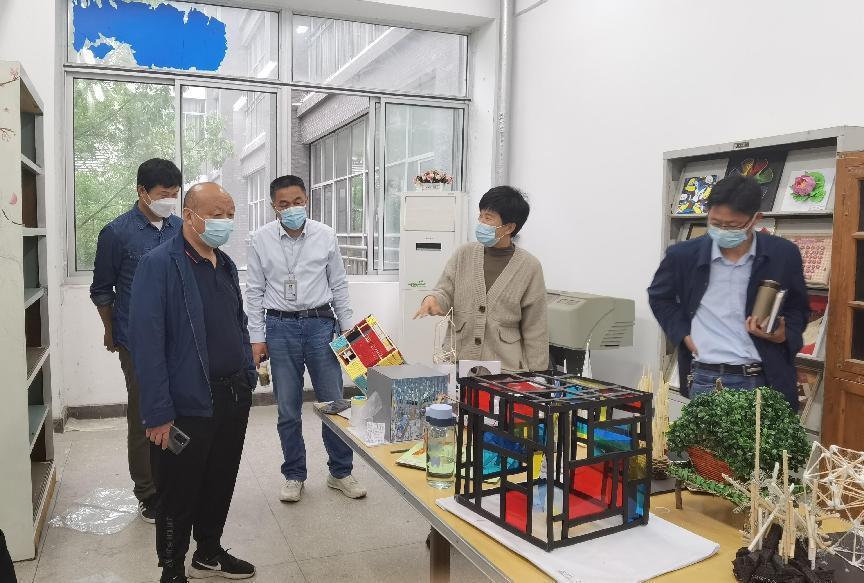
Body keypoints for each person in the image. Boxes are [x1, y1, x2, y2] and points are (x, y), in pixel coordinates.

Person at [129, 183, 257, 582]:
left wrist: (248, 375)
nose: (226, 222)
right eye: (217, 214)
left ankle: (209, 551)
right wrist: (157, 414)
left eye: (230, 215)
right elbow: (146, 346)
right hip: (187, 402)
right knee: (178, 489)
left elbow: (237, 323)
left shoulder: (225, 263)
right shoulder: (159, 265)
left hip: (232, 395)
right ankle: (172, 566)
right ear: (189, 215)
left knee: (220, 480)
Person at [246, 175, 365, 504]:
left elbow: (338, 285)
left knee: (334, 403)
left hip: (320, 325)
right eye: (283, 204)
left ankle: (340, 472)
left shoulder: (325, 235)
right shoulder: (260, 239)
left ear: (306, 200)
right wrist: (256, 338)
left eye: (297, 201)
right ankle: (294, 474)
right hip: (279, 327)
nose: (292, 208)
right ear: (274, 206)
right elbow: (254, 292)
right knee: (287, 408)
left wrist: (348, 329)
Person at [647, 175, 809, 410]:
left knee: (767, 436)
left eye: (733, 226)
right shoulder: (683, 255)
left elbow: (798, 308)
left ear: (755, 219)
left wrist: (784, 333)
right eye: (715, 223)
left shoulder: (783, 254)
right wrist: (682, 333)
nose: (722, 230)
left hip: (767, 377)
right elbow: (659, 297)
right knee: (705, 436)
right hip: (707, 378)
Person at [89, 158, 182, 523]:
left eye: (175, 194)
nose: (170, 200)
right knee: (146, 414)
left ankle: (174, 480)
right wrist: (110, 330)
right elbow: (102, 290)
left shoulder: (180, 228)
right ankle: (147, 491)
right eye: (163, 193)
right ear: (142, 192)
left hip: (179, 337)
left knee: (180, 411)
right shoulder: (117, 233)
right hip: (136, 339)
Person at [415, 185, 549, 372]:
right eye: (481, 216)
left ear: (509, 227)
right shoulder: (464, 254)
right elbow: (444, 291)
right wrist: (433, 299)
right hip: (458, 362)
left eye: (488, 218)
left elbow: (536, 327)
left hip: (505, 370)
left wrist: (538, 376)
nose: (481, 223)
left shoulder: (530, 266)